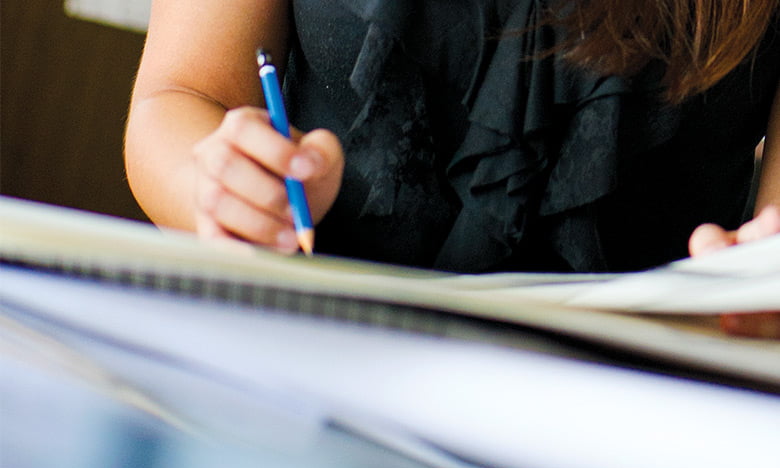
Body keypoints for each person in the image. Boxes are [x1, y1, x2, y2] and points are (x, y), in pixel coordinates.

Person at [124, 0, 780, 337]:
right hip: (305, 357)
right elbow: (176, 98)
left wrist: (759, 274)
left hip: (636, 418)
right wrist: (214, 184)